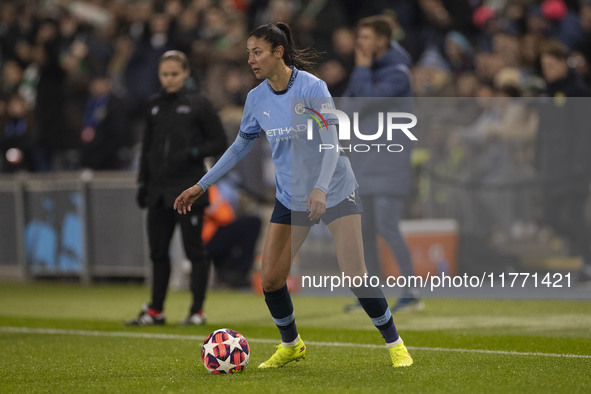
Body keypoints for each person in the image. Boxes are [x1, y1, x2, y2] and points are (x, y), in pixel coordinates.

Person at [174, 22, 413, 368]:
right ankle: (292, 344)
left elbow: (333, 143)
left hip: (334, 189)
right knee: (270, 278)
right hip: (291, 197)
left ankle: (395, 345)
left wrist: (320, 188)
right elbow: (240, 146)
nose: (251, 60)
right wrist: (201, 184)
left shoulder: (312, 88)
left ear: (278, 52)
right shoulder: (256, 98)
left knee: (355, 275)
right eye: (248, 54)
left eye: (257, 52)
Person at [125, 50, 227, 326]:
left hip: (188, 189)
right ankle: (156, 310)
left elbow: (220, 141)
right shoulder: (154, 105)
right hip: (158, 191)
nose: (168, 79)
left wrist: (192, 152)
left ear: (185, 74)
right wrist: (143, 183)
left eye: (174, 74)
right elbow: (147, 147)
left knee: (195, 251)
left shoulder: (199, 104)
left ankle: (197, 311)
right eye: (164, 74)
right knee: (158, 252)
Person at [343, 15, 423, 312]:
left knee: (388, 227)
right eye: (359, 36)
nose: (359, 43)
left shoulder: (398, 73)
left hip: (390, 162)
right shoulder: (365, 72)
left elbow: (363, 100)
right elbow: (347, 108)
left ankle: (411, 292)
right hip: (364, 162)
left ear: (382, 41)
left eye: (365, 37)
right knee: (365, 232)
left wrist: (361, 71)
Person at [535, 39, 591, 282]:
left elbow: (584, 130)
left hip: (573, 167)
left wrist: (581, 163)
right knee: (550, 216)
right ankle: (584, 254)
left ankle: (586, 262)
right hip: (552, 166)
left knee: (574, 215)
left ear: (562, 64)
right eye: (543, 65)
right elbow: (542, 131)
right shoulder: (546, 94)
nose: (546, 70)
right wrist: (538, 158)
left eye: (550, 64)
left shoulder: (578, 91)